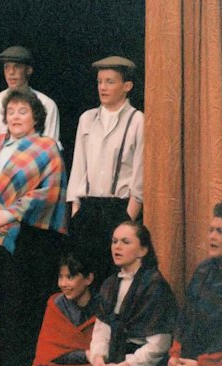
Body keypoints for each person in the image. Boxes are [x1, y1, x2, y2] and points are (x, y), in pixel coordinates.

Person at [0, 89, 67, 366]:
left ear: (36, 117)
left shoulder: (47, 148)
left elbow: (49, 192)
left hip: (29, 243)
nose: (16, 117)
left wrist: (8, 215)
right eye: (11, 112)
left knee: (21, 306)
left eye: (23, 111)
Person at [138, 202, 222, 366]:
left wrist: (201, 365)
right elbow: (185, 318)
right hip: (190, 360)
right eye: (211, 230)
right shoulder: (203, 270)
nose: (212, 237)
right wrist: (176, 355)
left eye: (221, 232)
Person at [67, 56, 144, 287]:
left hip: (117, 208)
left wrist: (128, 217)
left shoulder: (137, 120)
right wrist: (76, 210)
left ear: (127, 86)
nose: (102, 87)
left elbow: (139, 173)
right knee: (84, 278)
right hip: (88, 209)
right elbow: (79, 165)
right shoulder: (87, 119)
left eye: (110, 82)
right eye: (100, 82)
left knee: (111, 279)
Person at [86, 221, 177, 366]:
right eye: (114, 241)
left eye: (125, 242)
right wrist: (98, 359)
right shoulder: (109, 284)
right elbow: (101, 331)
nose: (117, 247)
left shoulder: (154, 286)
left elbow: (159, 345)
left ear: (143, 250)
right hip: (113, 357)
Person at [14, 252, 98, 366]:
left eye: (70, 277)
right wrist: (86, 354)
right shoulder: (56, 304)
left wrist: (92, 356)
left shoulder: (102, 306)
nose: (63, 283)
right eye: (61, 277)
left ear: (88, 279)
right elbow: (49, 352)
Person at [0, 45, 60, 154]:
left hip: (34, 162)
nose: (11, 72)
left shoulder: (46, 104)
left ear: (28, 70)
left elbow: (51, 149)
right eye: (6, 67)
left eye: (17, 66)